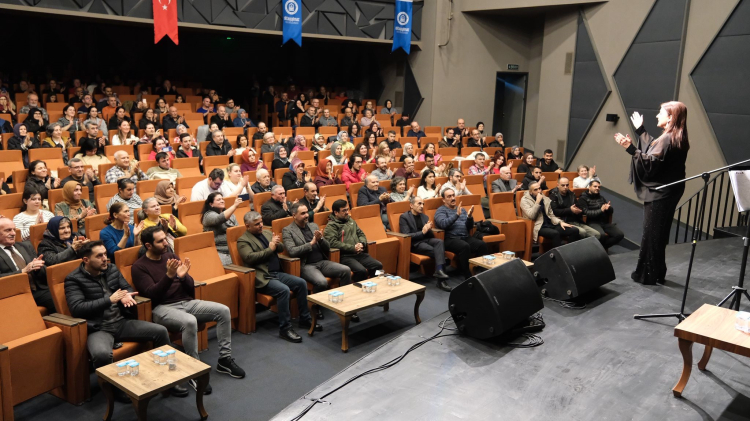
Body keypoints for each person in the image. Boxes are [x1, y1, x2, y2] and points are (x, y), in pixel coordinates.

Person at [63, 241, 183, 400]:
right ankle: (115, 390)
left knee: (160, 331)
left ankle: (170, 379)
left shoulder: (111, 269)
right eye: (99, 256)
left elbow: (128, 288)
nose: (105, 258)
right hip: (99, 328)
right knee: (101, 354)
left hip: (121, 322)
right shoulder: (73, 279)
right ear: (86, 260)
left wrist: (126, 295)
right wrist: (109, 300)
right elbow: (77, 308)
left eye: (105, 254)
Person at [133, 226, 245, 392]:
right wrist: (169, 276)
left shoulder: (170, 255)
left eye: (165, 239)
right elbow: (152, 295)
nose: (166, 243)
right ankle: (194, 370)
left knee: (223, 311)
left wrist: (184, 277)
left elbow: (190, 285)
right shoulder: (139, 267)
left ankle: (225, 360)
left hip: (186, 302)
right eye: (160, 241)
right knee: (190, 321)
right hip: (162, 308)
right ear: (148, 245)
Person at [238, 211, 320, 341]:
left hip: (277, 273)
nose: (261, 225)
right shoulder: (243, 240)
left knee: (301, 283)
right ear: (247, 226)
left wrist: (276, 243)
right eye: (257, 224)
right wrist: (270, 249)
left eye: (261, 222)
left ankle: (305, 319)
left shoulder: (266, 233)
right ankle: (285, 329)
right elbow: (249, 258)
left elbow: (281, 248)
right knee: (284, 290)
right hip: (263, 277)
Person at [282, 203, 351, 319]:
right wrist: (311, 243)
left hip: (322, 262)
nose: (306, 215)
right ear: (294, 215)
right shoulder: (288, 230)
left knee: (346, 270)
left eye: (307, 212)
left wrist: (321, 240)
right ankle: (315, 308)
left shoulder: (313, 226)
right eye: (302, 213)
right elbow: (292, 251)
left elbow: (327, 248)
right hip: (307, 265)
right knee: (321, 282)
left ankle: (345, 304)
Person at [324, 200, 382, 297]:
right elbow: (332, 243)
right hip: (345, 256)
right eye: (344, 210)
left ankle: (372, 289)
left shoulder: (351, 220)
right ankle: (358, 295)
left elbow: (361, 234)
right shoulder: (331, 226)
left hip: (359, 253)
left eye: (347, 209)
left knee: (378, 265)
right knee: (361, 271)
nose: (347, 212)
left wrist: (362, 243)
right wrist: (352, 248)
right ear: (336, 212)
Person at [0, 217, 53, 313]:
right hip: (14, 294)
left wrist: (38, 267)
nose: (13, 233)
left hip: (37, 289)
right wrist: (23, 271)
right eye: (8, 230)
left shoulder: (25, 246)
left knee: (62, 296)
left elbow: (45, 273)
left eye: (14, 229)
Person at [433, 188, 488, 278]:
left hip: (465, 237)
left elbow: (469, 227)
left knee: (481, 245)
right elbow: (443, 224)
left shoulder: (462, 210)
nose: (452, 198)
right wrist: (456, 215)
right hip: (450, 239)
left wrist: (469, 217)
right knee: (464, 246)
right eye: (449, 196)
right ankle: (467, 275)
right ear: (443, 200)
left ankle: (480, 271)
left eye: (453, 195)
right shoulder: (441, 210)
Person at [399, 196, 451, 291]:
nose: (422, 206)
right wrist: (422, 232)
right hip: (415, 243)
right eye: (419, 203)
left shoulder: (425, 217)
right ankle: (441, 281)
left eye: (423, 204)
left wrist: (428, 229)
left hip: (426, 240)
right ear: (411, 205)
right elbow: (407, 235)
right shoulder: (404, 217)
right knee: (439, 252)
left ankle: (439, 271)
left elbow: (430, 235)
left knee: (439, 242)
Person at [520, 182, 581, 248]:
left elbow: (551, 215)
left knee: (574, 230)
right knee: (555, 233)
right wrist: (537, 202)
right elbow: (531, 216)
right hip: (538, 226)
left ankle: (570, 252)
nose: (539, 191)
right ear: (530, 192)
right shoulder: (524, 200)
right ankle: (558, 254)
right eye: (535, 190)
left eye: (539, 188)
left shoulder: (545, 199)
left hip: (550, 223)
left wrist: (560, 222)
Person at [578, 181, 625, 250]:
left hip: (604, 222)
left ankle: (601, 248)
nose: (597, 188)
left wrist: (608, 208)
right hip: (592, 222)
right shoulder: (582, 199)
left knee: (619, 235)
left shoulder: (601, 198)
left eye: (599, 187)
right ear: (589, 187)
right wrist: (601, 210)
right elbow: (586, 213)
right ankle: (599, 250)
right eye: (595, 186)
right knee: (601, 235)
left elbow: (610, 212)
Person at [201, 193, 242, 265]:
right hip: (219, 250)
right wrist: (234, 206)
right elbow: (219, 219)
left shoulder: (231, 215)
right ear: (211, 204)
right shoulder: (208, 215)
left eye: (222, 199)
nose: (222, 201)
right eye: (218, 200)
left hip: (234, 247)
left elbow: (237, 230)